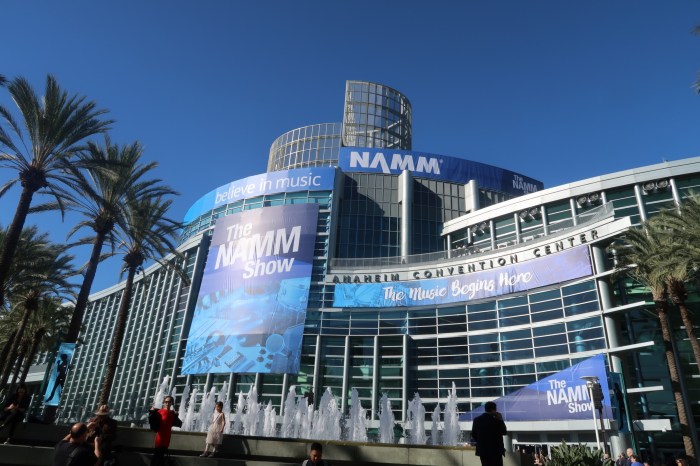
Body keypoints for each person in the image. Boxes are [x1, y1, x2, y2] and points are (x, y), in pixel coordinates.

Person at [470, 401, 507, 466]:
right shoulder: (496, 421)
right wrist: (501, 420)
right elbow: (504, 432)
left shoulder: (477, 420)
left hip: (483, 451)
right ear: (494, 410)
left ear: (485, 409)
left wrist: (481, 441)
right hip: (496, 451)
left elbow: (474, 434)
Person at [148, 395, 182, 466]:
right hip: (160, 437)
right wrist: (152, 411)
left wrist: (176, 415)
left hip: (167, 436)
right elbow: (152, 419)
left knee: (162, 455)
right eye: (166, 402)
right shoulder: (159, 412)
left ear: (172, 403)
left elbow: (177, 422)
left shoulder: (172, 413)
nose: (167, 403)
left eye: (169, 402)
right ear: (164, 402)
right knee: (157, 455)